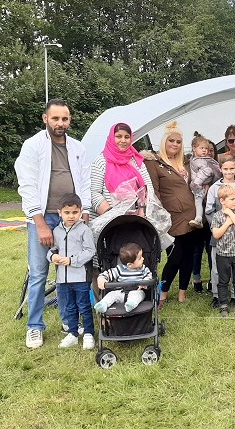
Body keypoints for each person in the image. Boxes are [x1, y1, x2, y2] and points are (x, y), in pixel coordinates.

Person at [15, 98, 91, 349]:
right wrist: (40, 223)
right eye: (55, 118)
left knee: (67, 272)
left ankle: (69, 321)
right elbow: (26, 186)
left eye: (65, 118)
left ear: (70, 120)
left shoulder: (78, 147)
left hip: (71, 218)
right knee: (39, 273)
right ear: (45, 118)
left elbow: (85, 182)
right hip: (43, 217)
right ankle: (34, 326)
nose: (60, 123)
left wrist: (85, 214)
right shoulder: (33, 146)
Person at [144, 122, 197, 306]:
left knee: (189, 255)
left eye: (179, 141)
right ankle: (163, 291)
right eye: (171, 141)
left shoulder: (187, 162)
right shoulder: (154, 162)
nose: (175, 144)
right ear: (164, 142)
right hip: (171, 218)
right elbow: (154, 192)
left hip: (191, 216)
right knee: (175, 257)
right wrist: (158, 216)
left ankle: (183, 292)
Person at [46, 193, 96, 349]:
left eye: (75, 212)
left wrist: (72, 260)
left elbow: (90, 251)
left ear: (80, 211)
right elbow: (52, 249)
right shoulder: (57, 231)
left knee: (84, 305)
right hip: (63, 278)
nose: (71, 216)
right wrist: (52, 256)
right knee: (69, 306)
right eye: (67, 213)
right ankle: (73, 333)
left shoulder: (84, 230)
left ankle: (88, 333)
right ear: (59, 212)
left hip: (80, 277)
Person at [205, 154, 235, 308]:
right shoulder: (214, 188)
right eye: (226, 169)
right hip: (219, 236)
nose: (229, 172)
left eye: (232, 168)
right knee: (218, 269)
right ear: (221, 169)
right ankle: (217, 296)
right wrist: (218, 227)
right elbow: (208, 211)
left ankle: (234, 296)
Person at [90, 122, 153, 220]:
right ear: (111, 137)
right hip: (109, 221)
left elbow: (148, 190)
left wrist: (141, 214)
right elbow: (94, 193)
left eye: (127, 137)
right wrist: (115, 217)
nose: (123, 140)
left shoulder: (136, 161)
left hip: (138, 219)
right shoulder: (101, 161)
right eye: (118, 136)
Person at [210, 184, 235, 316]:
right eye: (232, 199)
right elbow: (216, 234)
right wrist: (227, 223)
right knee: (223, 280)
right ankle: (223, 304)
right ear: (222, 201)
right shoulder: (217, 216)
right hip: (223, 255)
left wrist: (231, 213)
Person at [94, 242, 152, 314]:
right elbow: (108, 274)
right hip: (120, 292)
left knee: (139, 294)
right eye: (140, 258)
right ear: (129, 265)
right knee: (111, 294)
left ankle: (131, 304)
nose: (143, 259)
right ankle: (103, 304)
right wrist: (101, 278)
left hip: (135, 290)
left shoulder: (143, 269)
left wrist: (145, 282)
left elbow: (149, 275)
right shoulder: (119, 269)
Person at [192, 138, 218, 293]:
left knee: (211, 247)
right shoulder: (194, 163)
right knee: (197, 249)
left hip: (212, 211)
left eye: (210, 150)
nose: (207, 152)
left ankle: (211, 279)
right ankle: (196, 278)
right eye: (204, 149)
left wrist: (209, 184)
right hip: (197, 210)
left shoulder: (215, 165)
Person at [188, 132, 221, 229]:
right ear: (194, 148)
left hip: (199, 186)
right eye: (202, 148)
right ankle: (199, 219)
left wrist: (197, 182)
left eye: (206, 149)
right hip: (200, 186)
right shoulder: (193, 159)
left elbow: (207, 171)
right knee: (199, 203)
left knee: (203, 203)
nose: (205, 151)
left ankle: (203, 220)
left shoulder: (202, 160)